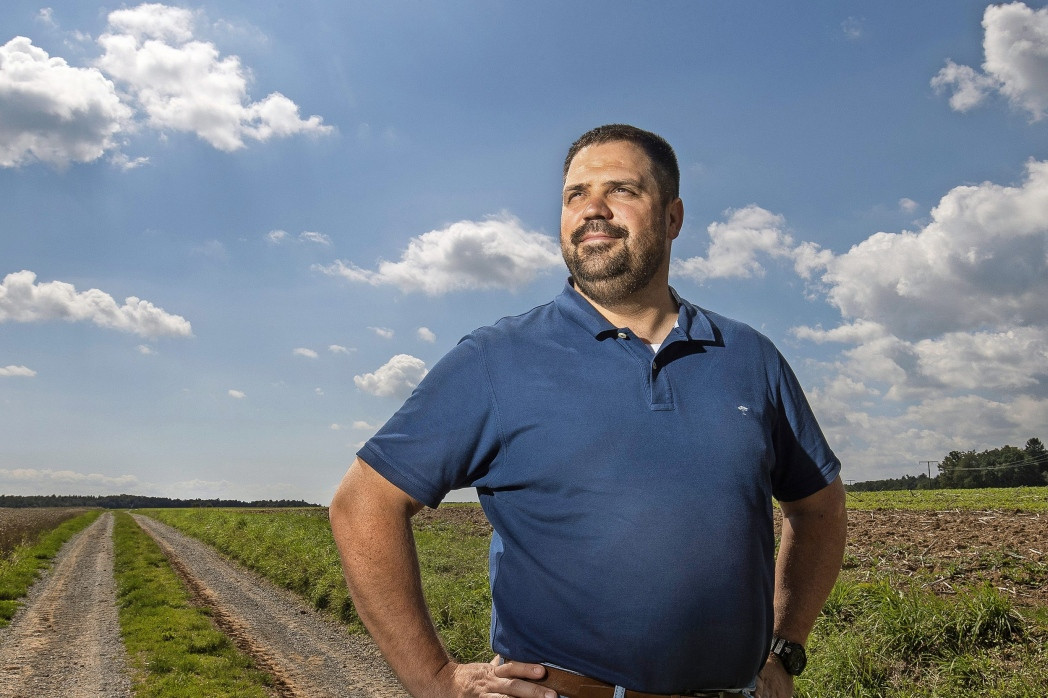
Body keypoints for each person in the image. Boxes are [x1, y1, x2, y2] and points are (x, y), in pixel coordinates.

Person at [329, 124, 846, 698]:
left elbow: (819, 507)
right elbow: (363, 504)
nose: (592, 210)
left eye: (621, 190)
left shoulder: (750, 356)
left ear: (673, 218)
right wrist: (434, 679)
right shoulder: (496, 359)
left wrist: (786, 647)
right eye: (575, 194)